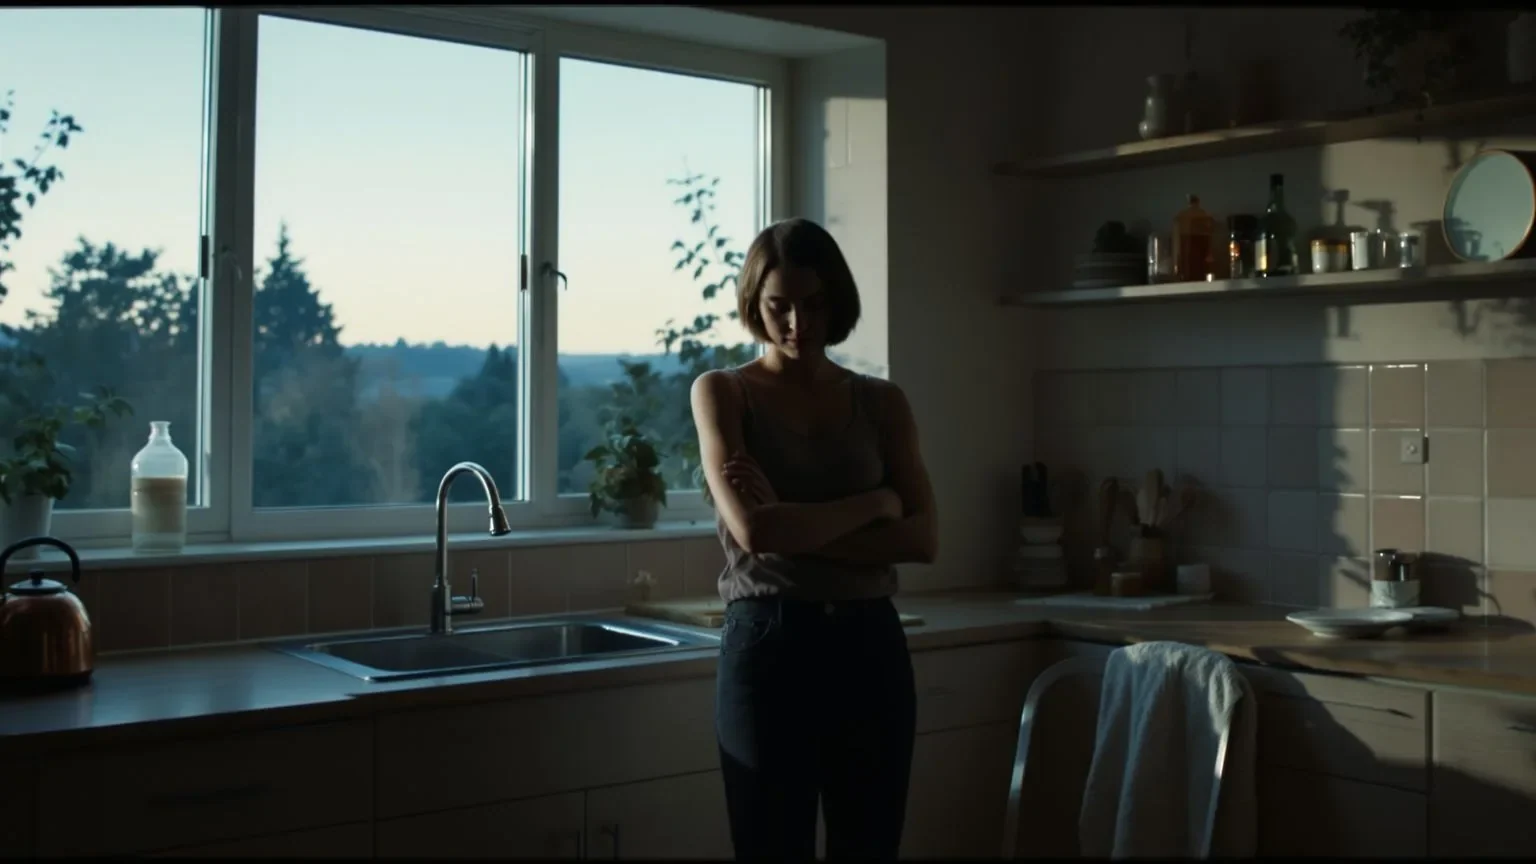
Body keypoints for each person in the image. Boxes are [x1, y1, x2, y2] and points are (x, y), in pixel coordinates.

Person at [690, 217, 938, 861]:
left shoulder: (883, 404)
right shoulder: (723, 393)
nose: (798, 323)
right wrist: (874, 504)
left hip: (869, 645)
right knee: (772, 847)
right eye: (779, 306)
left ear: (838, 301)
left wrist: (793, 527)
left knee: (870, 845)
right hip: (769, 647)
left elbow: (923, 538)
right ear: (754, 304)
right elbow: (755, 530)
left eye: (814, 303)